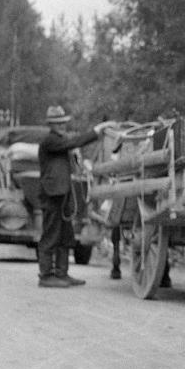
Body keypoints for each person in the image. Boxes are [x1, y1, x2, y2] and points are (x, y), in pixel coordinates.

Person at [37, 105, 113, 288]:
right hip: (52, 195)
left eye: (63, 123)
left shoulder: (60, 143)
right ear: (51, 125)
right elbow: (73, 142)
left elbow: (72, 149)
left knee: (65, 235)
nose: (62, 126)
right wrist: (96, 131)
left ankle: (62, 274)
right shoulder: (50, 141)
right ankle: (46, 276)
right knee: (50, 236)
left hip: (62, 194)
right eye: (58, 123)